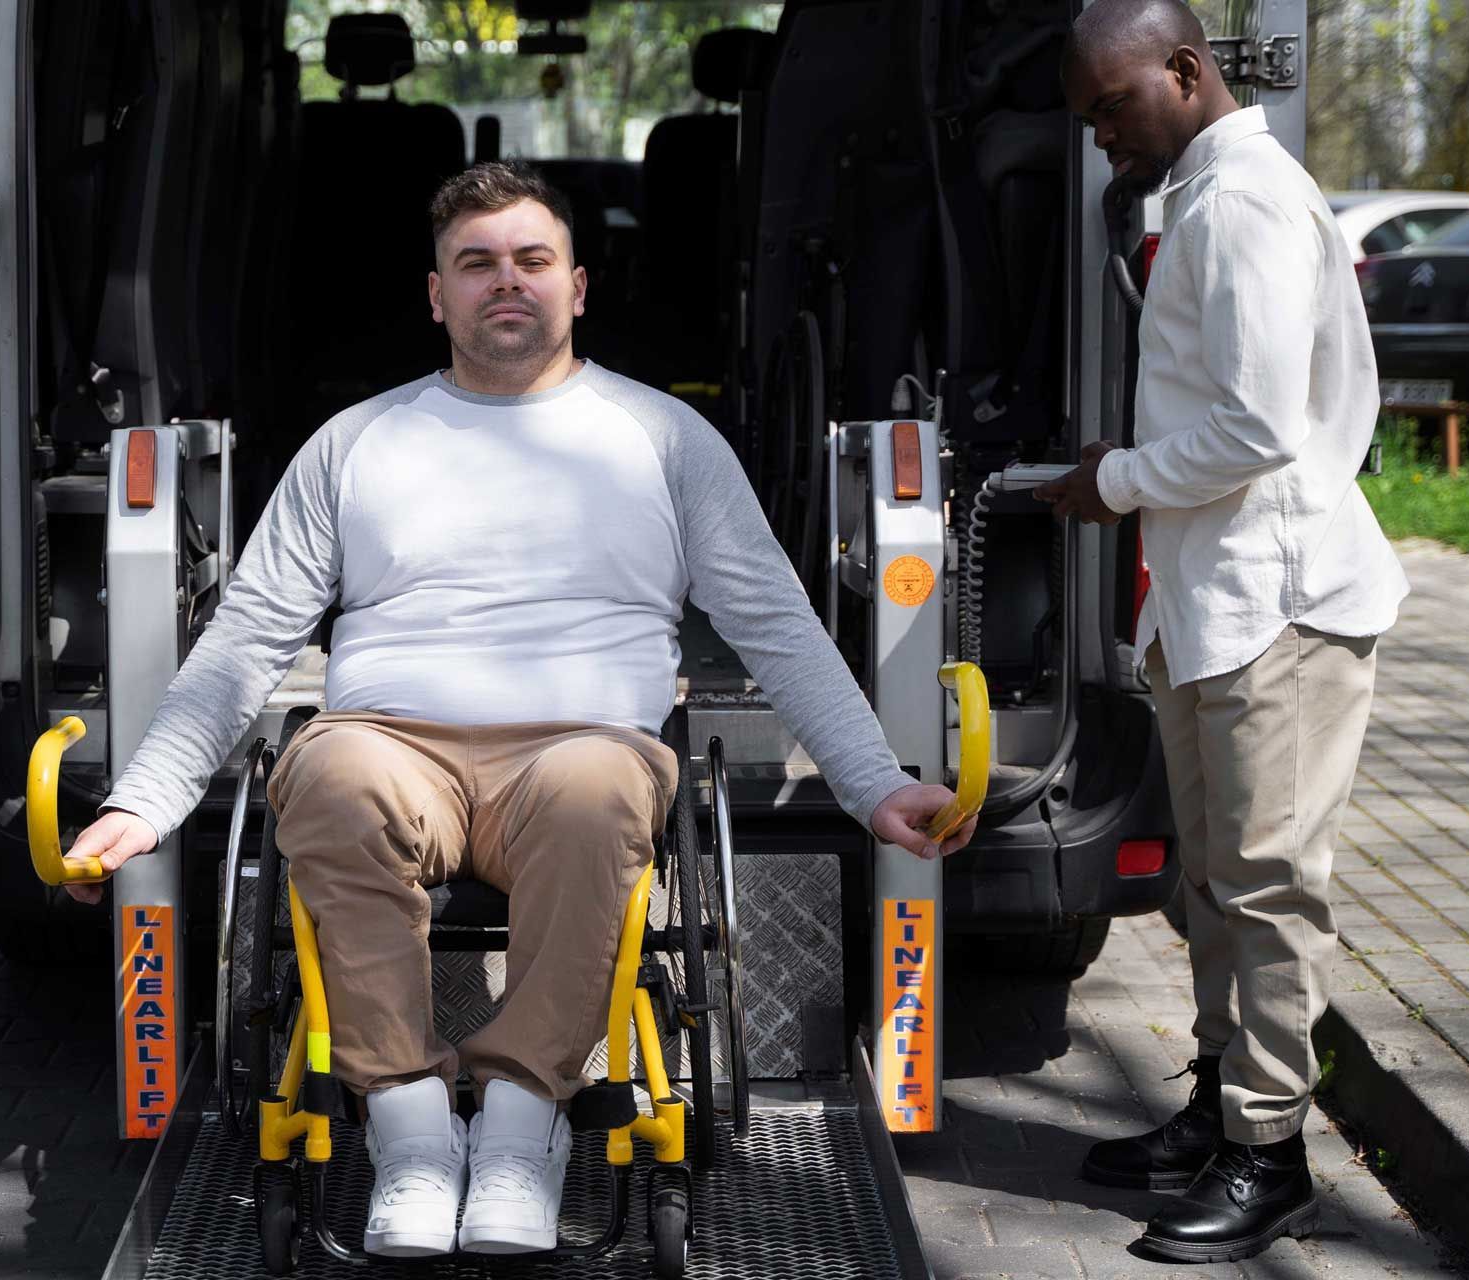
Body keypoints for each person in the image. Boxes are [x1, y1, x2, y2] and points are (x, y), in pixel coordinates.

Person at [57, 162, 975, 1257]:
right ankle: (407, 1130)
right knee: (328, 773)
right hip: (390, 743)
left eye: (532, 261)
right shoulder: (355, 444)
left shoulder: (667, 440)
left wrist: (875, 781)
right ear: (435, 295)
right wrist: (147, 798)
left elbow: (779, 626)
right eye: (477, 263)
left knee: (595, 790)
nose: (508, 282)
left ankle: (521, 1124)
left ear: (578, 286)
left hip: (585, 748)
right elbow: (247, 637)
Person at [1039, 0, 1408, 1263]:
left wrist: (1117, 478)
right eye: (1088, 117)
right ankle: (1216, 1110)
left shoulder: (1245, 198)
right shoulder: (1202, 192)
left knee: (1265, 888)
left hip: (1282, 606)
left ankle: (1269, 1153)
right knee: (1211, 883)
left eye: (1111, 107)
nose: (1099, 140)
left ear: (1185, 71)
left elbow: (1260, 426)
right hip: (1217, 602)